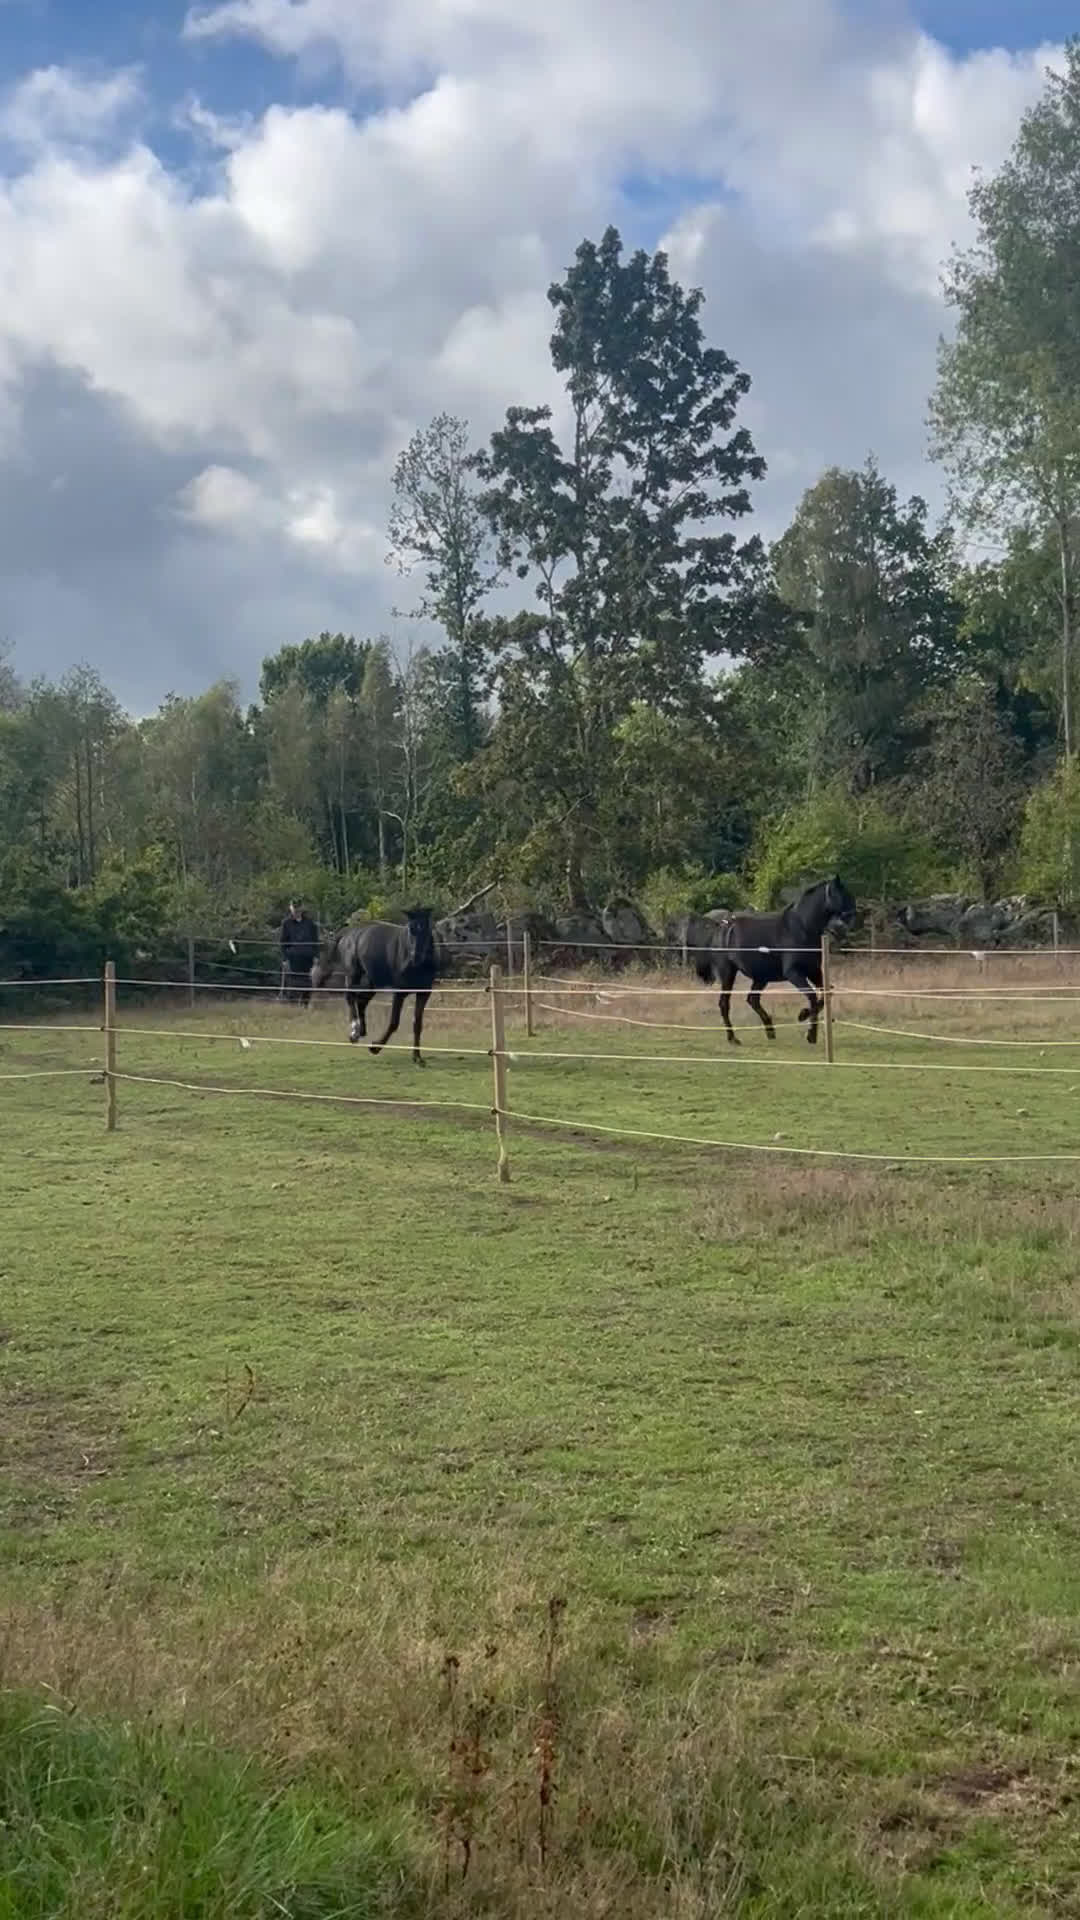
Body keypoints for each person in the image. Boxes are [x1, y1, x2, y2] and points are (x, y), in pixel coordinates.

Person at [279, 898, 319, 1007]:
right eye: (294, 908)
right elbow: (283, 942)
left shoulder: (310, 923)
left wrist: (316, 956)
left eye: (298, 908)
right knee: (292, 981)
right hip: (293, 957)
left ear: (302, 908)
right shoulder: (286, 923)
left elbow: (315, 941)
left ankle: (305, 1003)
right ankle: (292, 1004)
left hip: (307, 957)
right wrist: (285, 958)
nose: (296, 910)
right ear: (291, 908)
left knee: (307, 981)